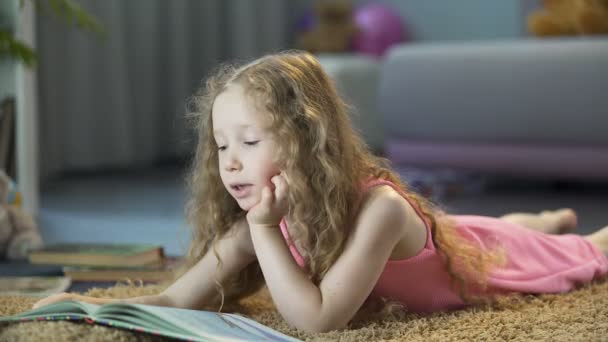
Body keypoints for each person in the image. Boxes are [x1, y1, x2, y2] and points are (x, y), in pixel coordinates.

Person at [33, 51, 608, 333]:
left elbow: (320, 320)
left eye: (250, 141)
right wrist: (89, 307)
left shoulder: (379, 209)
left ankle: (551, 225)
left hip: (473, 260)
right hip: (453, 233)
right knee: (490, 225)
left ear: (308, 140)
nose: (229, 162)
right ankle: (543, 216)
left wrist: (263, 232)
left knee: (581, 252)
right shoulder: (262, 217)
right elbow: (178, 300)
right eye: (221, 144)